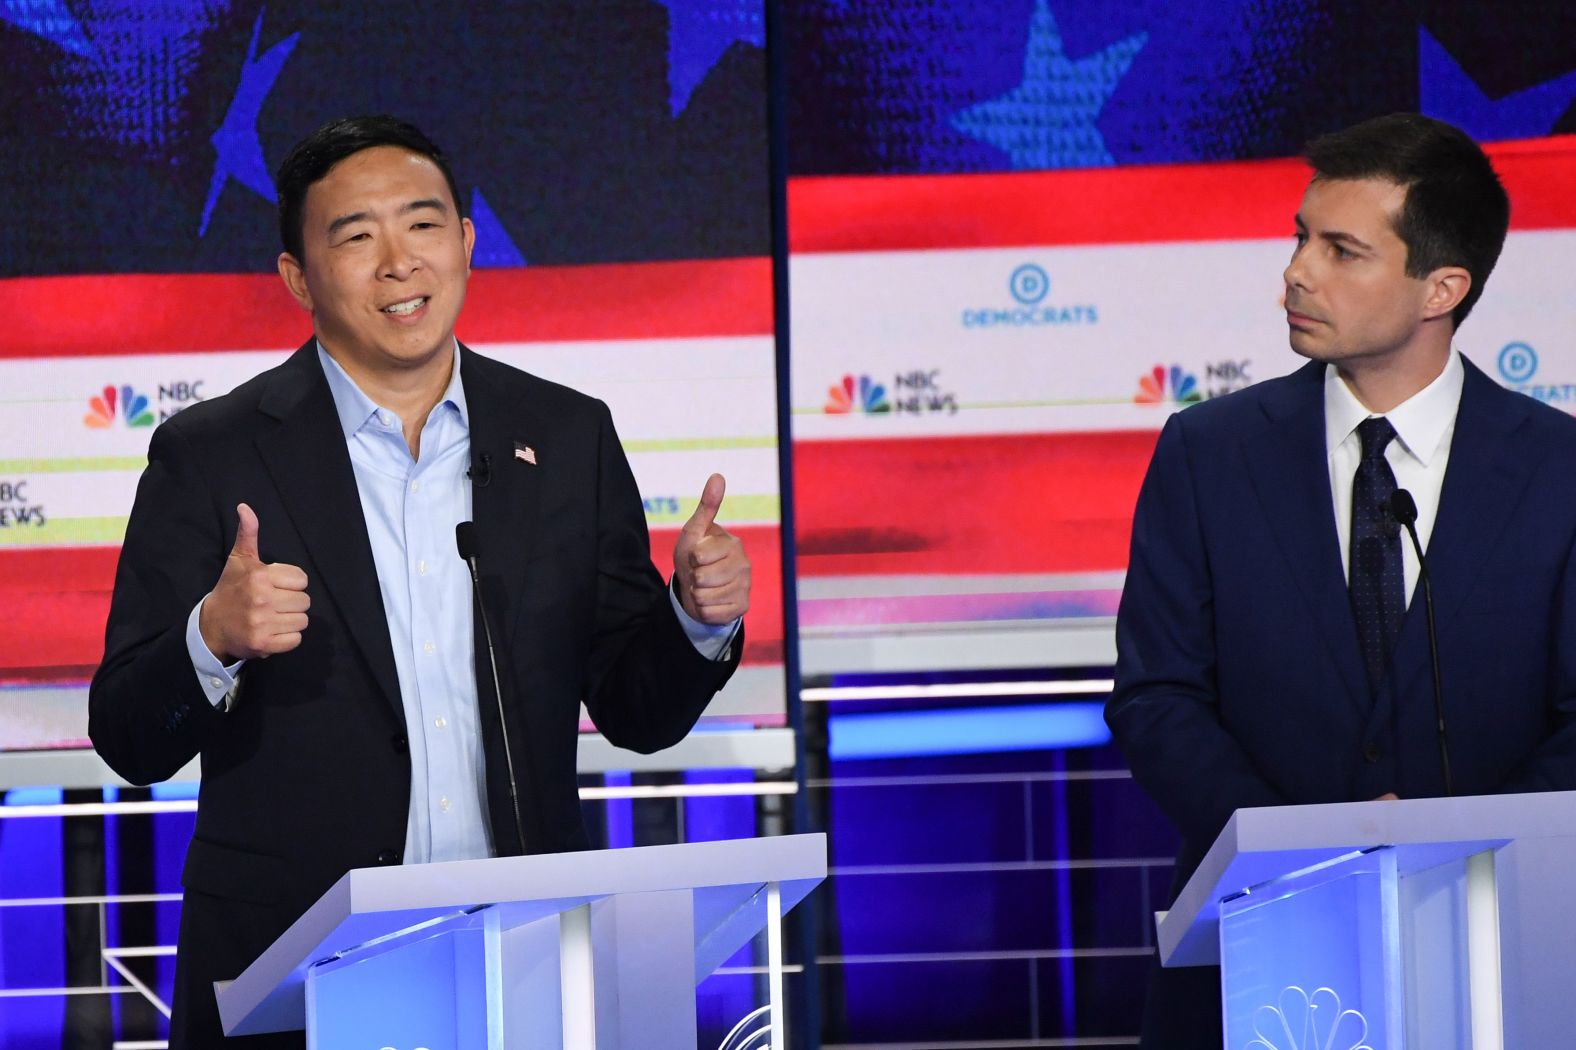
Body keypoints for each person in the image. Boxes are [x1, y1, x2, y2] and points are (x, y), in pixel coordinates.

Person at [88, 115, 751, 1047]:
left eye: (424, 225)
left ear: (468, 245)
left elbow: (638, 712)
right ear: (297, 277)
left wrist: (694, 618)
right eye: (356, 236)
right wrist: (213, 637)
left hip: (518, 970)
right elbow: (126, 734)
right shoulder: (211, 456)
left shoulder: (565, 438)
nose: (399, 263)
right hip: (296, 980)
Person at [1106, 112, 1576, 1047]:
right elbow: (1157, 697)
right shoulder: (1209, 452)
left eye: (1341, 250)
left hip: (1499, 957)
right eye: (1299, 238)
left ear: (1443, 286)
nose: (1296, 272)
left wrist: (1449, 844)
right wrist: (1307, 848)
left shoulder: (1558, 468)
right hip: (1255, 962)